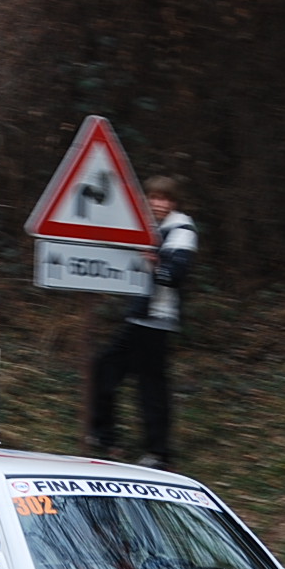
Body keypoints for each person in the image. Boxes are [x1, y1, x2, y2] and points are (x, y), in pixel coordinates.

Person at [89, 176, 197, 469]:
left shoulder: (182, 230)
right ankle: (105, 436)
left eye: (165, 199)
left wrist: (153, 262)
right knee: (104, 367)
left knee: (150, 387)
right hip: (138, 316)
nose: (159, 204)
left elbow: (175, 275)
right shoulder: (145, 225)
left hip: (158, 319)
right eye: (154, 198)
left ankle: (159, 454)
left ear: (174, 203)